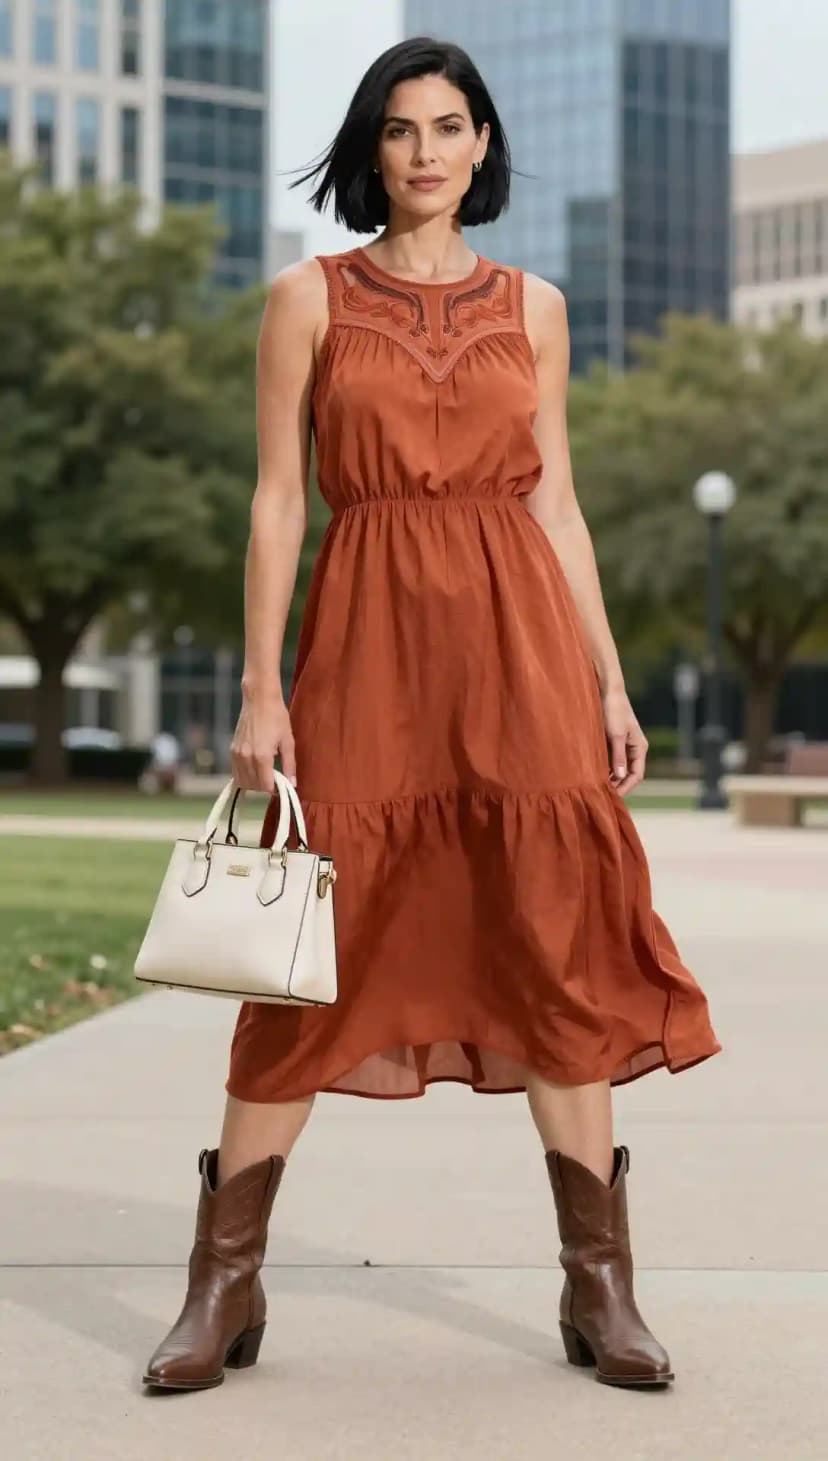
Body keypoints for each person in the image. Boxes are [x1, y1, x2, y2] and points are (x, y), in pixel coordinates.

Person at [143, 37, 721, 1394]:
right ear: (373, 147)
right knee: (311, 953)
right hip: (367, 643)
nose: (424, 152)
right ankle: (223, 1285)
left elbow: (555, 504)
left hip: (519, 652)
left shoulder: (537, 307)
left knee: (557, 938)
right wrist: (257, 686)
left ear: (480, 146)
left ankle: (600, 1284)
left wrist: (612, 676)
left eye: (449, 126)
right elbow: (279, 500)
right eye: (400, 128)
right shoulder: (307, 299)